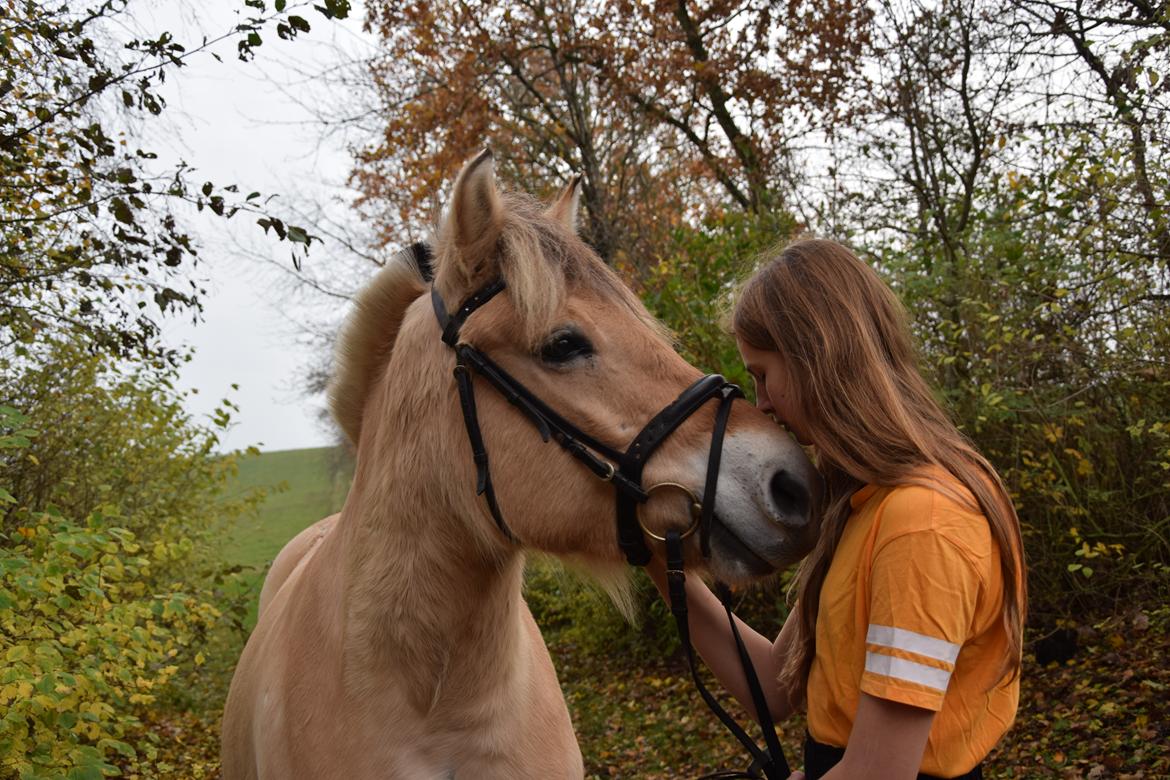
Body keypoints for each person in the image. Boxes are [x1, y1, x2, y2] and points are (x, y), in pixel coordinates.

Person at [646, 238, 1027, 780]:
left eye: (762, 374)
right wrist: (660, 563)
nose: (762, 403)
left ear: (817, 360)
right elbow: (776, 686)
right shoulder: (863, 505)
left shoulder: (922, 525)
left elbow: (880, 771)